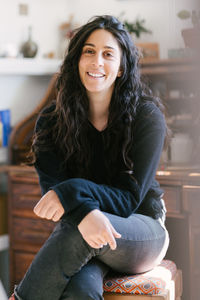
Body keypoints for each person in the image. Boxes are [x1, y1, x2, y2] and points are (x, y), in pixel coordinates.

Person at [10, 15, 170, 300]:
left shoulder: (146, 116)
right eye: (89, 51)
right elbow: (53, 192)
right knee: (80, 291)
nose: (97, 62)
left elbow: (129, 199)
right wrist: (83, 211)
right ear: (77, 61)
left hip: (141, 228)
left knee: (74, 233)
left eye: (108, 54)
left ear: (121, 68)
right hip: (86, 229)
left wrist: (71, 192)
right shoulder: (50, 121)